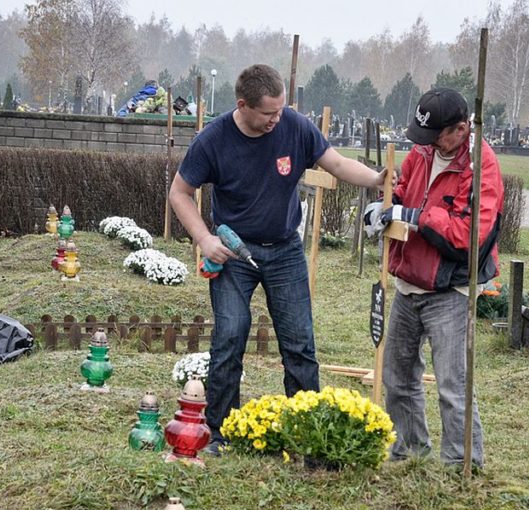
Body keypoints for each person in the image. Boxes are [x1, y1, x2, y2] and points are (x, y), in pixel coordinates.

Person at [169, 63, 387, 453]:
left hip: (284, 250)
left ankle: (306, 429)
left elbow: (335, 163)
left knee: (300, 341)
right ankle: (221, 432)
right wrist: (204, 238)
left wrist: (376, 179)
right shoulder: (213, 140)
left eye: (281, 110)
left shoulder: (295, 126)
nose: (277, 119)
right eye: (269, 113)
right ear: (243, 105)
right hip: (233, 252)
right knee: (230, 337)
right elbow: (179, 193)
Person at [363, 88, 504, 467]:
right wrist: (383, 209)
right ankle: (410, 452)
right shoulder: (423, 151)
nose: (426, 145)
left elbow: (469, 236)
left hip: (449, 289)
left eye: (435, 137)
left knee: (452, 385)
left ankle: (461, 464)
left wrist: (414, 216)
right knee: (398, 376)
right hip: (409, 280)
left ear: (461, 129)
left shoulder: (481, 166)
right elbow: (403, 192)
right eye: (422, 138)